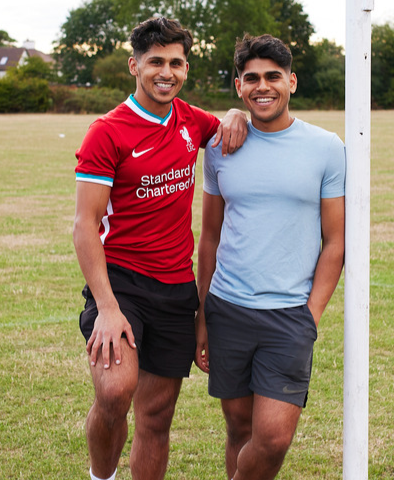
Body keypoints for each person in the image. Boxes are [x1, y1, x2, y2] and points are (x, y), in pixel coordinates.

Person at [72, 17, 248, 480]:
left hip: (175, 289)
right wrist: (107, 309)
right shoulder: (107, 132)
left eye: (176, 62)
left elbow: (229, 128)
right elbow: (85, 225)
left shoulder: (193, 121)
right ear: (134, 65)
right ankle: (100, 476)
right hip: (121, 285)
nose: (166, 72)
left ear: (186, 68)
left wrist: (236, 114)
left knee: (155, 417)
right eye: (155, 62)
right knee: (114, 392)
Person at [195, 33, 346, 480]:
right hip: (228, 309)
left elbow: (335, 241)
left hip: (289, 316)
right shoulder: (220, 147)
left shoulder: (326, 148)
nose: (263, 86)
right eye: (252, 78)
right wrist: (202, 315)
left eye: (273, 77)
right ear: (239, 86)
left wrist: (311, 315)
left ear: (292, 82)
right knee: (238, 427)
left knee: (274, 438)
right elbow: (209, 237)